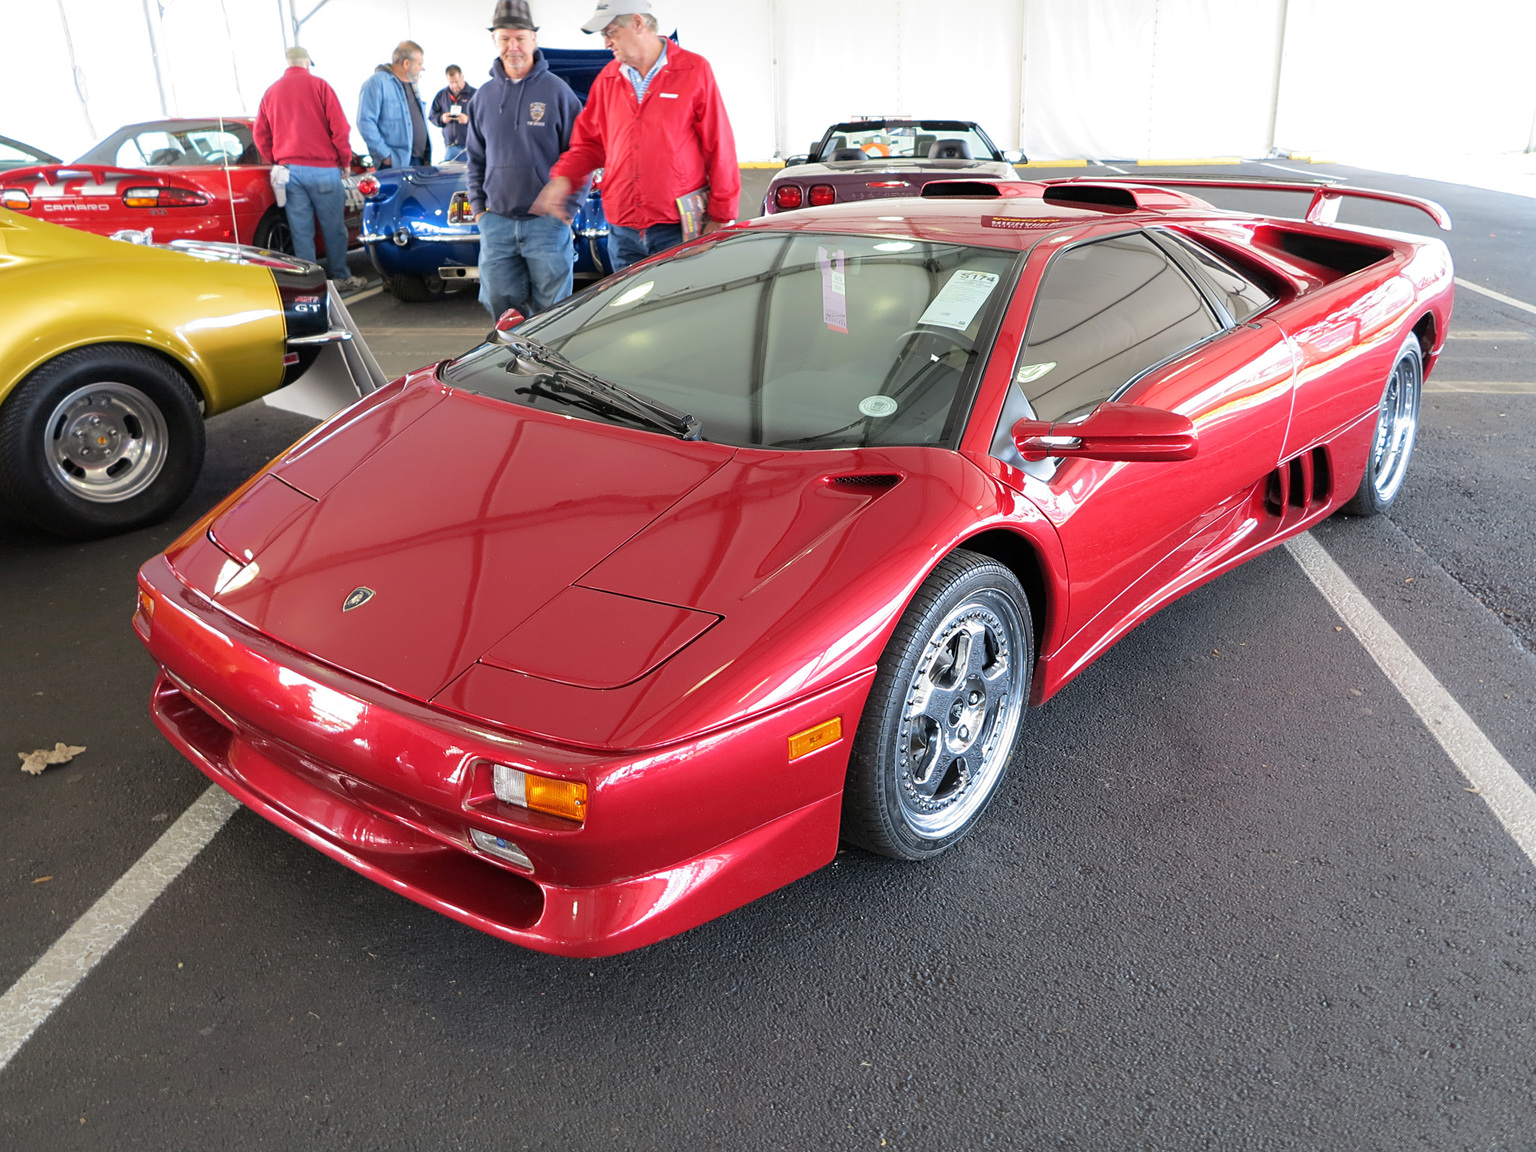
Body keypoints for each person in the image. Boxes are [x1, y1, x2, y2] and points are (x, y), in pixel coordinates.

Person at [531, 0, 739, 272]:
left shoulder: (694, 71)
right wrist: (563, 178)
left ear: (638, 23)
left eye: (610, 32)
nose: (606, 43)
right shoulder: (607, 79)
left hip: (677, 228)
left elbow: (719, 146)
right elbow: (589, 143)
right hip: (623, 229)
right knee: (630, 312)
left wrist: (722, 216)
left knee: (680, 310)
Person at [466, 1, 583, 320]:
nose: (512, 46)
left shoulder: (559, 93)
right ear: (495, 41)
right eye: (504, 38)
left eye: (520, 37)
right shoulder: (482, 98)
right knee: (500, 308)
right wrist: (479, 211)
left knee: (553, 313)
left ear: (534, 39)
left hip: (547, 226)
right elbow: (475, 160)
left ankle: (552, 370)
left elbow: (581, 153)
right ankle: (507, 369)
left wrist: (569, 210)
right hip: (497, 223)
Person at [253, 46, 366, 291]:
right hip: (323, 169)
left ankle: (310, 284)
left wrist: (275, 159)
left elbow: (260, 134)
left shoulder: (270, 92)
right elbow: (340, 127)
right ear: (307, 62)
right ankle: (341, 278)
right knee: (334, 228)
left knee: (300, 230)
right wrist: (345, 160)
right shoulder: (320, 86)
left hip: (289, 171)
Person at [357, 41, 431, 169]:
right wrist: (385, 155)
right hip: (395, 163)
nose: (421, 68)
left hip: (419, 161)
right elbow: (365, 122)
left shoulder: (412, 84)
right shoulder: (377, 83)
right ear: (406, 63)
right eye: (419, 64)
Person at [430, 66, 477, 162]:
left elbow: (485, 119)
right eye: (451, 82)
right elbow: (432, 115)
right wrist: (441, 118)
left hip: (471, 147)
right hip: (451, 147)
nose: (454, 86)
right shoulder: (441, 95)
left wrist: (468, 120)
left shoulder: (475, 94)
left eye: (457, 81)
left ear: (462, 77)